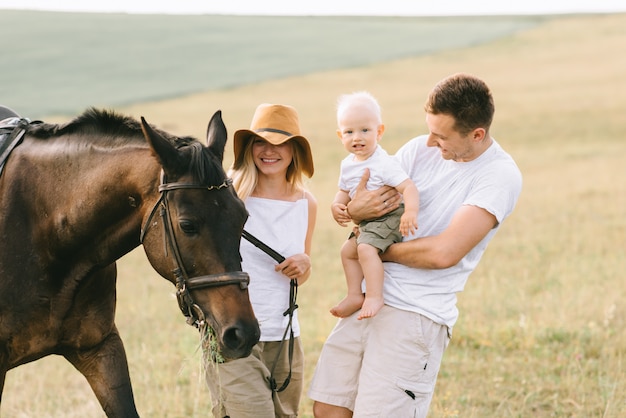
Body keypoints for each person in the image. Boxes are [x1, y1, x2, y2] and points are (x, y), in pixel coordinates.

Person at [308, 73, 523, 417]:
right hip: (368, 299)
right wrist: (355, 212)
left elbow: (443, 253)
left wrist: (373, 246)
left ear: (477, 134)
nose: (429, 143)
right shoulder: (416, 150)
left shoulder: (498, 176)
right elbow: (368, 209)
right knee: (328, 409)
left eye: (441, 136)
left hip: (415, 314)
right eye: (430, 131)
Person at [205, 103, 317, 418]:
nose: (269, 151)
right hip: (233, 331)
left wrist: (304, 264)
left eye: (280, 143)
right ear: (249, 148)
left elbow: (302, 273)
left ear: (295, 150)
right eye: (261, 142)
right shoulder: (229, 196)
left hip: (284, 335)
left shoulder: (307, 203)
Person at [330, 91, 419, 320]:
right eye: (349, 132)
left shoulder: (383, 163)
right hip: (367, 222)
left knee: (365, 249)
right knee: (347, 252)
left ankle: (374, 295)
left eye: (365, 130)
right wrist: (337, 206)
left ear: (379, 131)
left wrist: (410, 212)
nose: (356, 137)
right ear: (341, 135)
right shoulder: (347, 164)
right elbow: (344, 191)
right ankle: (354, 295)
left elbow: (408, 187)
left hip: (388, 217)